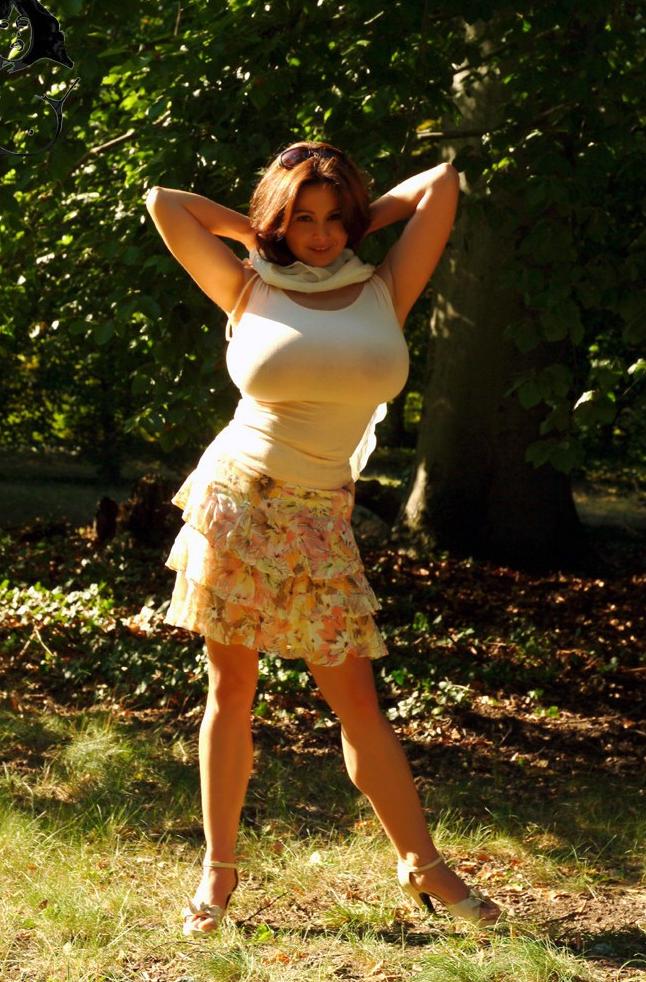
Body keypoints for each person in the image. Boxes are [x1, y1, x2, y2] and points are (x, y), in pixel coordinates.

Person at [145, 141, 503, 937]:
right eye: (303, 218)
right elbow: (166, 203)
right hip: (239, 502)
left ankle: (422, 864)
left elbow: (441, 183)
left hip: (320, 520)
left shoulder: (384, 286)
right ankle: (218, 873)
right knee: (232, 691)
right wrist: (260, 232)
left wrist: (356, 222)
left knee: (358, 704)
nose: (320, 234)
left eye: (334, 219)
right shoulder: (247, 285)